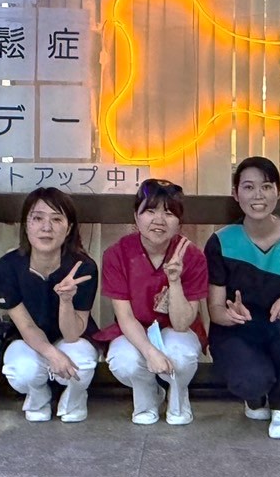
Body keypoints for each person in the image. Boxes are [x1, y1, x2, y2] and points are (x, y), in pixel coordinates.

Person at [206, 156, 280, 440]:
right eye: (248, 187)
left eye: (267, 186)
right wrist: (229, 315)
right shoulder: (221, 241)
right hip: (238, 329)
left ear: (278, 192)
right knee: (252, 380)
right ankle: (257, 395)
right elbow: (215, 309)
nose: (258, 195)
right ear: (236, 194)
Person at [96, 179, 207, 426]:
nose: (159, 220)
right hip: (135, 330)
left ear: (179, 222)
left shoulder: (192, 256)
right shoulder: (117, 254)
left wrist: (175, 281)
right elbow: (125, 317)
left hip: (176, 331)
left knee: (180, 354)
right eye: (150, 211)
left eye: (169, 213)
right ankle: (148, 395)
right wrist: (150, 352)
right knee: (123, 360)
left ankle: (178, 396)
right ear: (135, 217)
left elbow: (182, 324)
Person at [0, 188, 100, 423]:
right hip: (26, 339)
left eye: (56, 219)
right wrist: (53, 354)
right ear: (26, 225)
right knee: (21, 370)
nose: (46, 227)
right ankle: (38, 394)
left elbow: (72, 334)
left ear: (69, 228)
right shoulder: (7, 267)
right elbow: (26, 326)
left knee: (81, 361)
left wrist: (66, 300)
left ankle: (74, 398)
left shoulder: (84, 268)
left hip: (72, 339)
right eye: (38, 218)